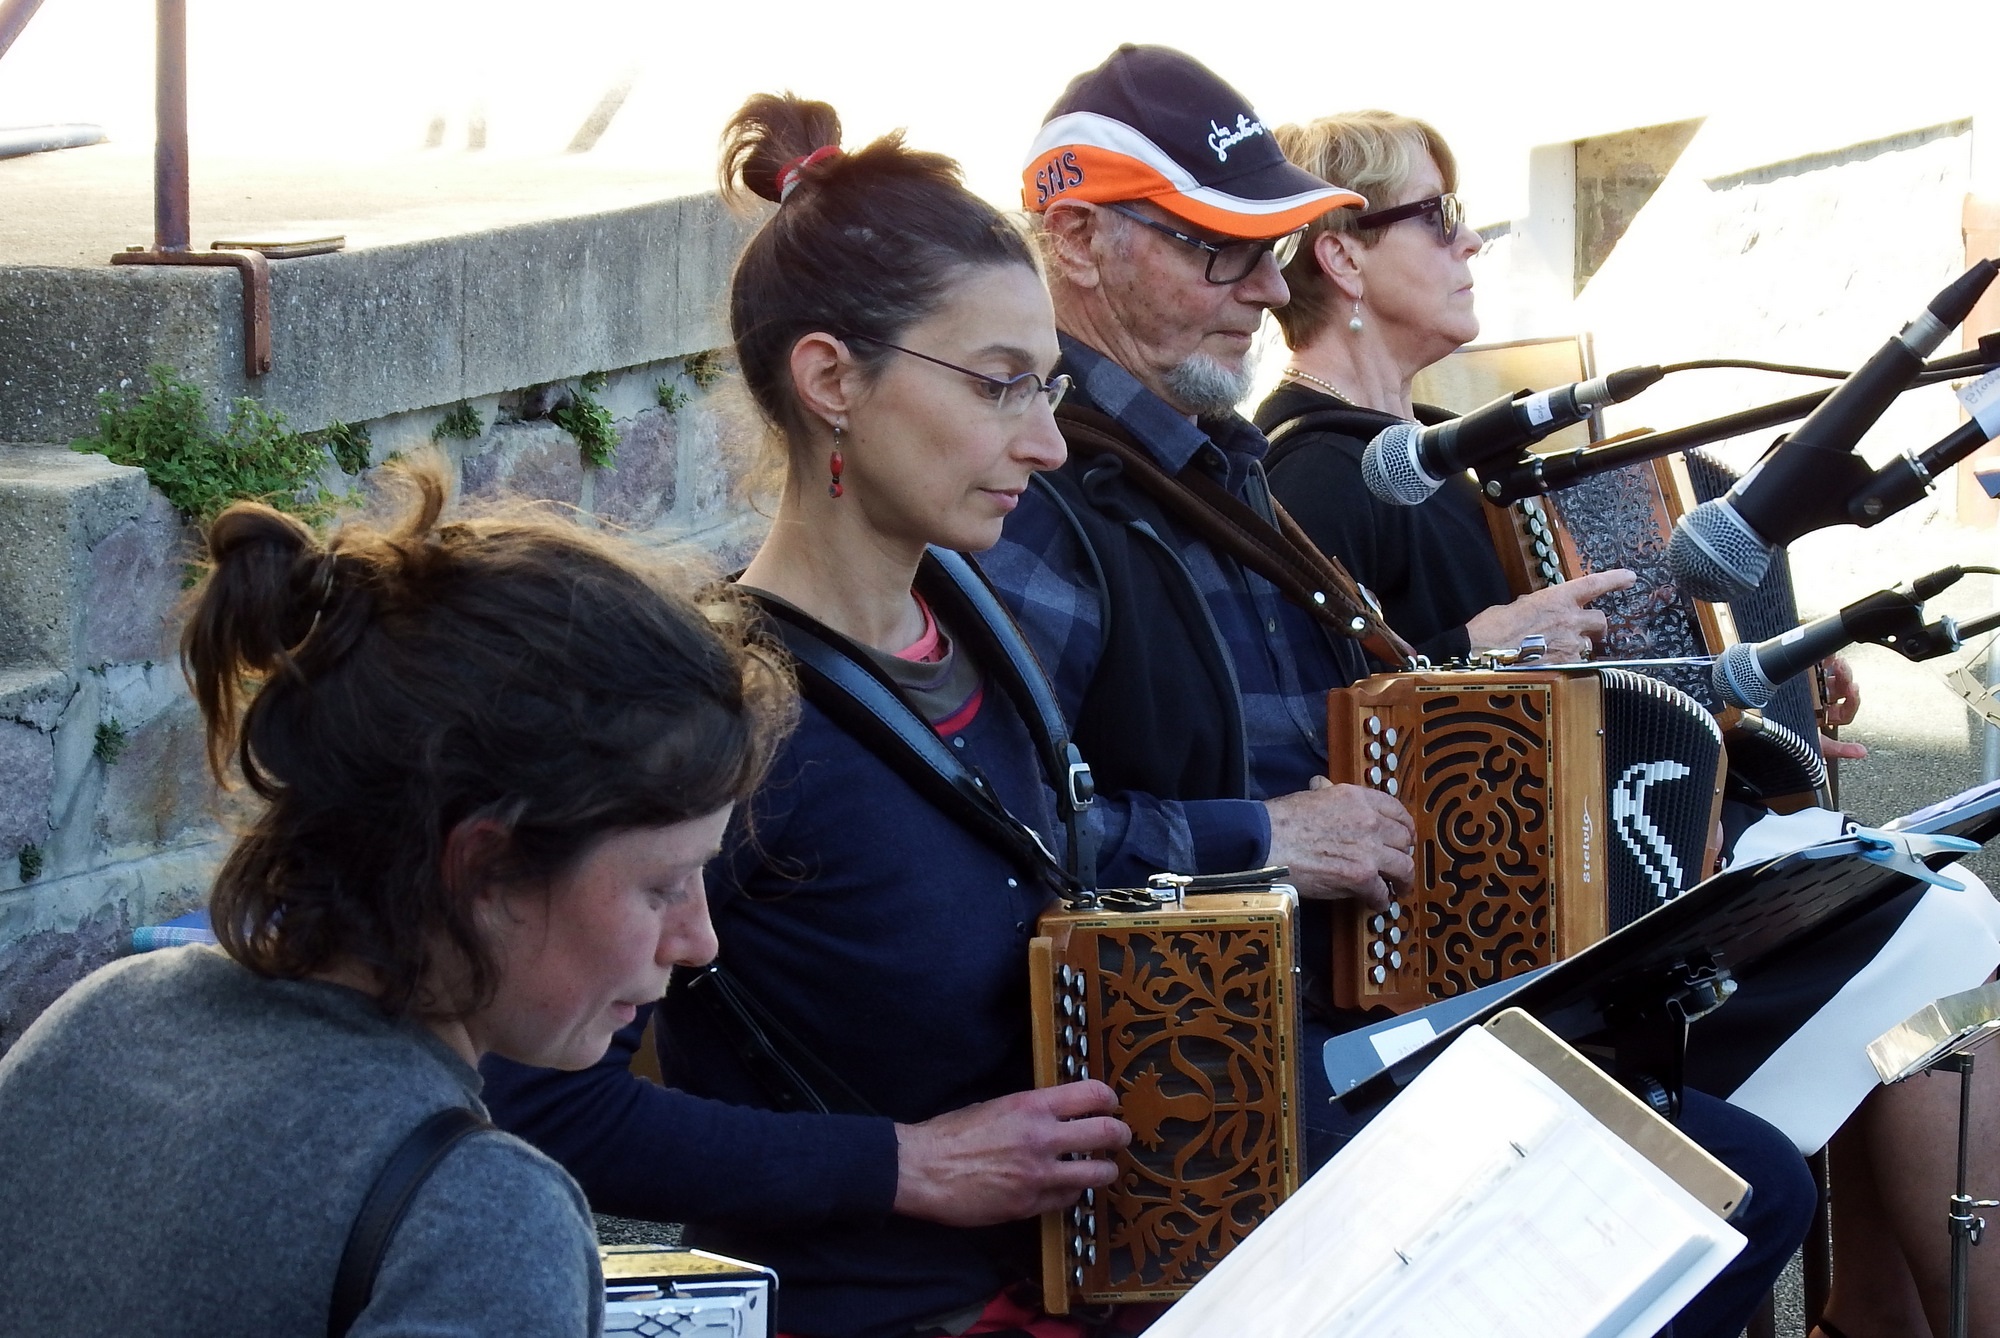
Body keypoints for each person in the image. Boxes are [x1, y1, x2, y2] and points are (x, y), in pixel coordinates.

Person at [981, 45, 1814, 1338]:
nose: (1267, 288)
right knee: (1727, 1184)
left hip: (1340, 1022)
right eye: (1223, 250)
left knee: (1725, 1155)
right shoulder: (1039, 494)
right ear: (1079, 239)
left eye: (1276, 248)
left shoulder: (1216, 465)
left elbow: (1321, 729)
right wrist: (1267, 836)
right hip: (1220, 1087)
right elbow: (1010, 831)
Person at [1260, 109, 1996, 1338]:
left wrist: (1760, 695)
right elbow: (1336, 740)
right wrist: (1473, 659)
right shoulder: (1317, 472)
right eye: (1437, 218)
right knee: (1926, 916)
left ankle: (1874, 1315)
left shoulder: (1441, 462)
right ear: (1338, 255)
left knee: (1900, 900)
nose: (1469, 245)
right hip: (1480, 969)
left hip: (1575, 913)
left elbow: (1613, 697)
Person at [481, 94, 1140, 1338]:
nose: (1046, 442)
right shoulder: (718, 712)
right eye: (1000, 388)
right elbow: (534, 1102)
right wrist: (900, 1165)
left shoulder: (974, 611)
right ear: (831, 378)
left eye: (1047, 388)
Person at [0, 461, 790, 1338]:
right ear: (484, 869)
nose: (699, 940)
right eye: (663, 884)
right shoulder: (480, 1218)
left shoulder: (97, 1021)